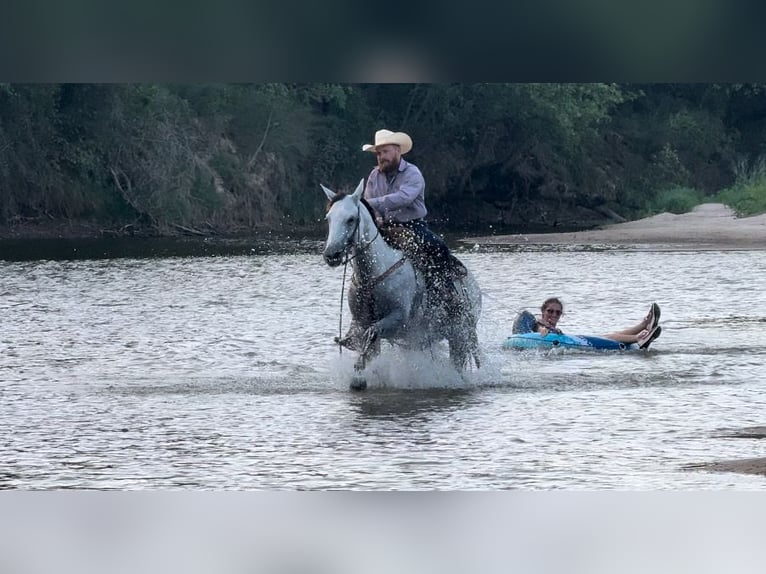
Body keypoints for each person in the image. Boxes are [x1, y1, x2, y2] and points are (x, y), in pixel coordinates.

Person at [361, 128, 465, 315]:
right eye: (378, 153)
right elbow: (371, 206)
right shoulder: (374, 176)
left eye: (385, 152)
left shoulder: (412, 173)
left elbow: (403, 198)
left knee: (438, 246)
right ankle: (362, 306)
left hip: (412, 225)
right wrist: (373, 213)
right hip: (383, 227)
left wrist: (369, 204)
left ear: (397, 151)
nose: (381, 157)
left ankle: (446, 292)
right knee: (361, 253)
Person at [527, 297, 662, 349]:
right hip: (555, 343)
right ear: (543, 311)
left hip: (567, 341)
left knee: (610, 335)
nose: (554, 315)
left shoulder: (552, 326)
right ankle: (640, 338)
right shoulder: (540, 323)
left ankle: (644, 325)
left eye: (557, 313)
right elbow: (540, 329)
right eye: (550, 311)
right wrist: (543, 331)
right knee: (607, 338)